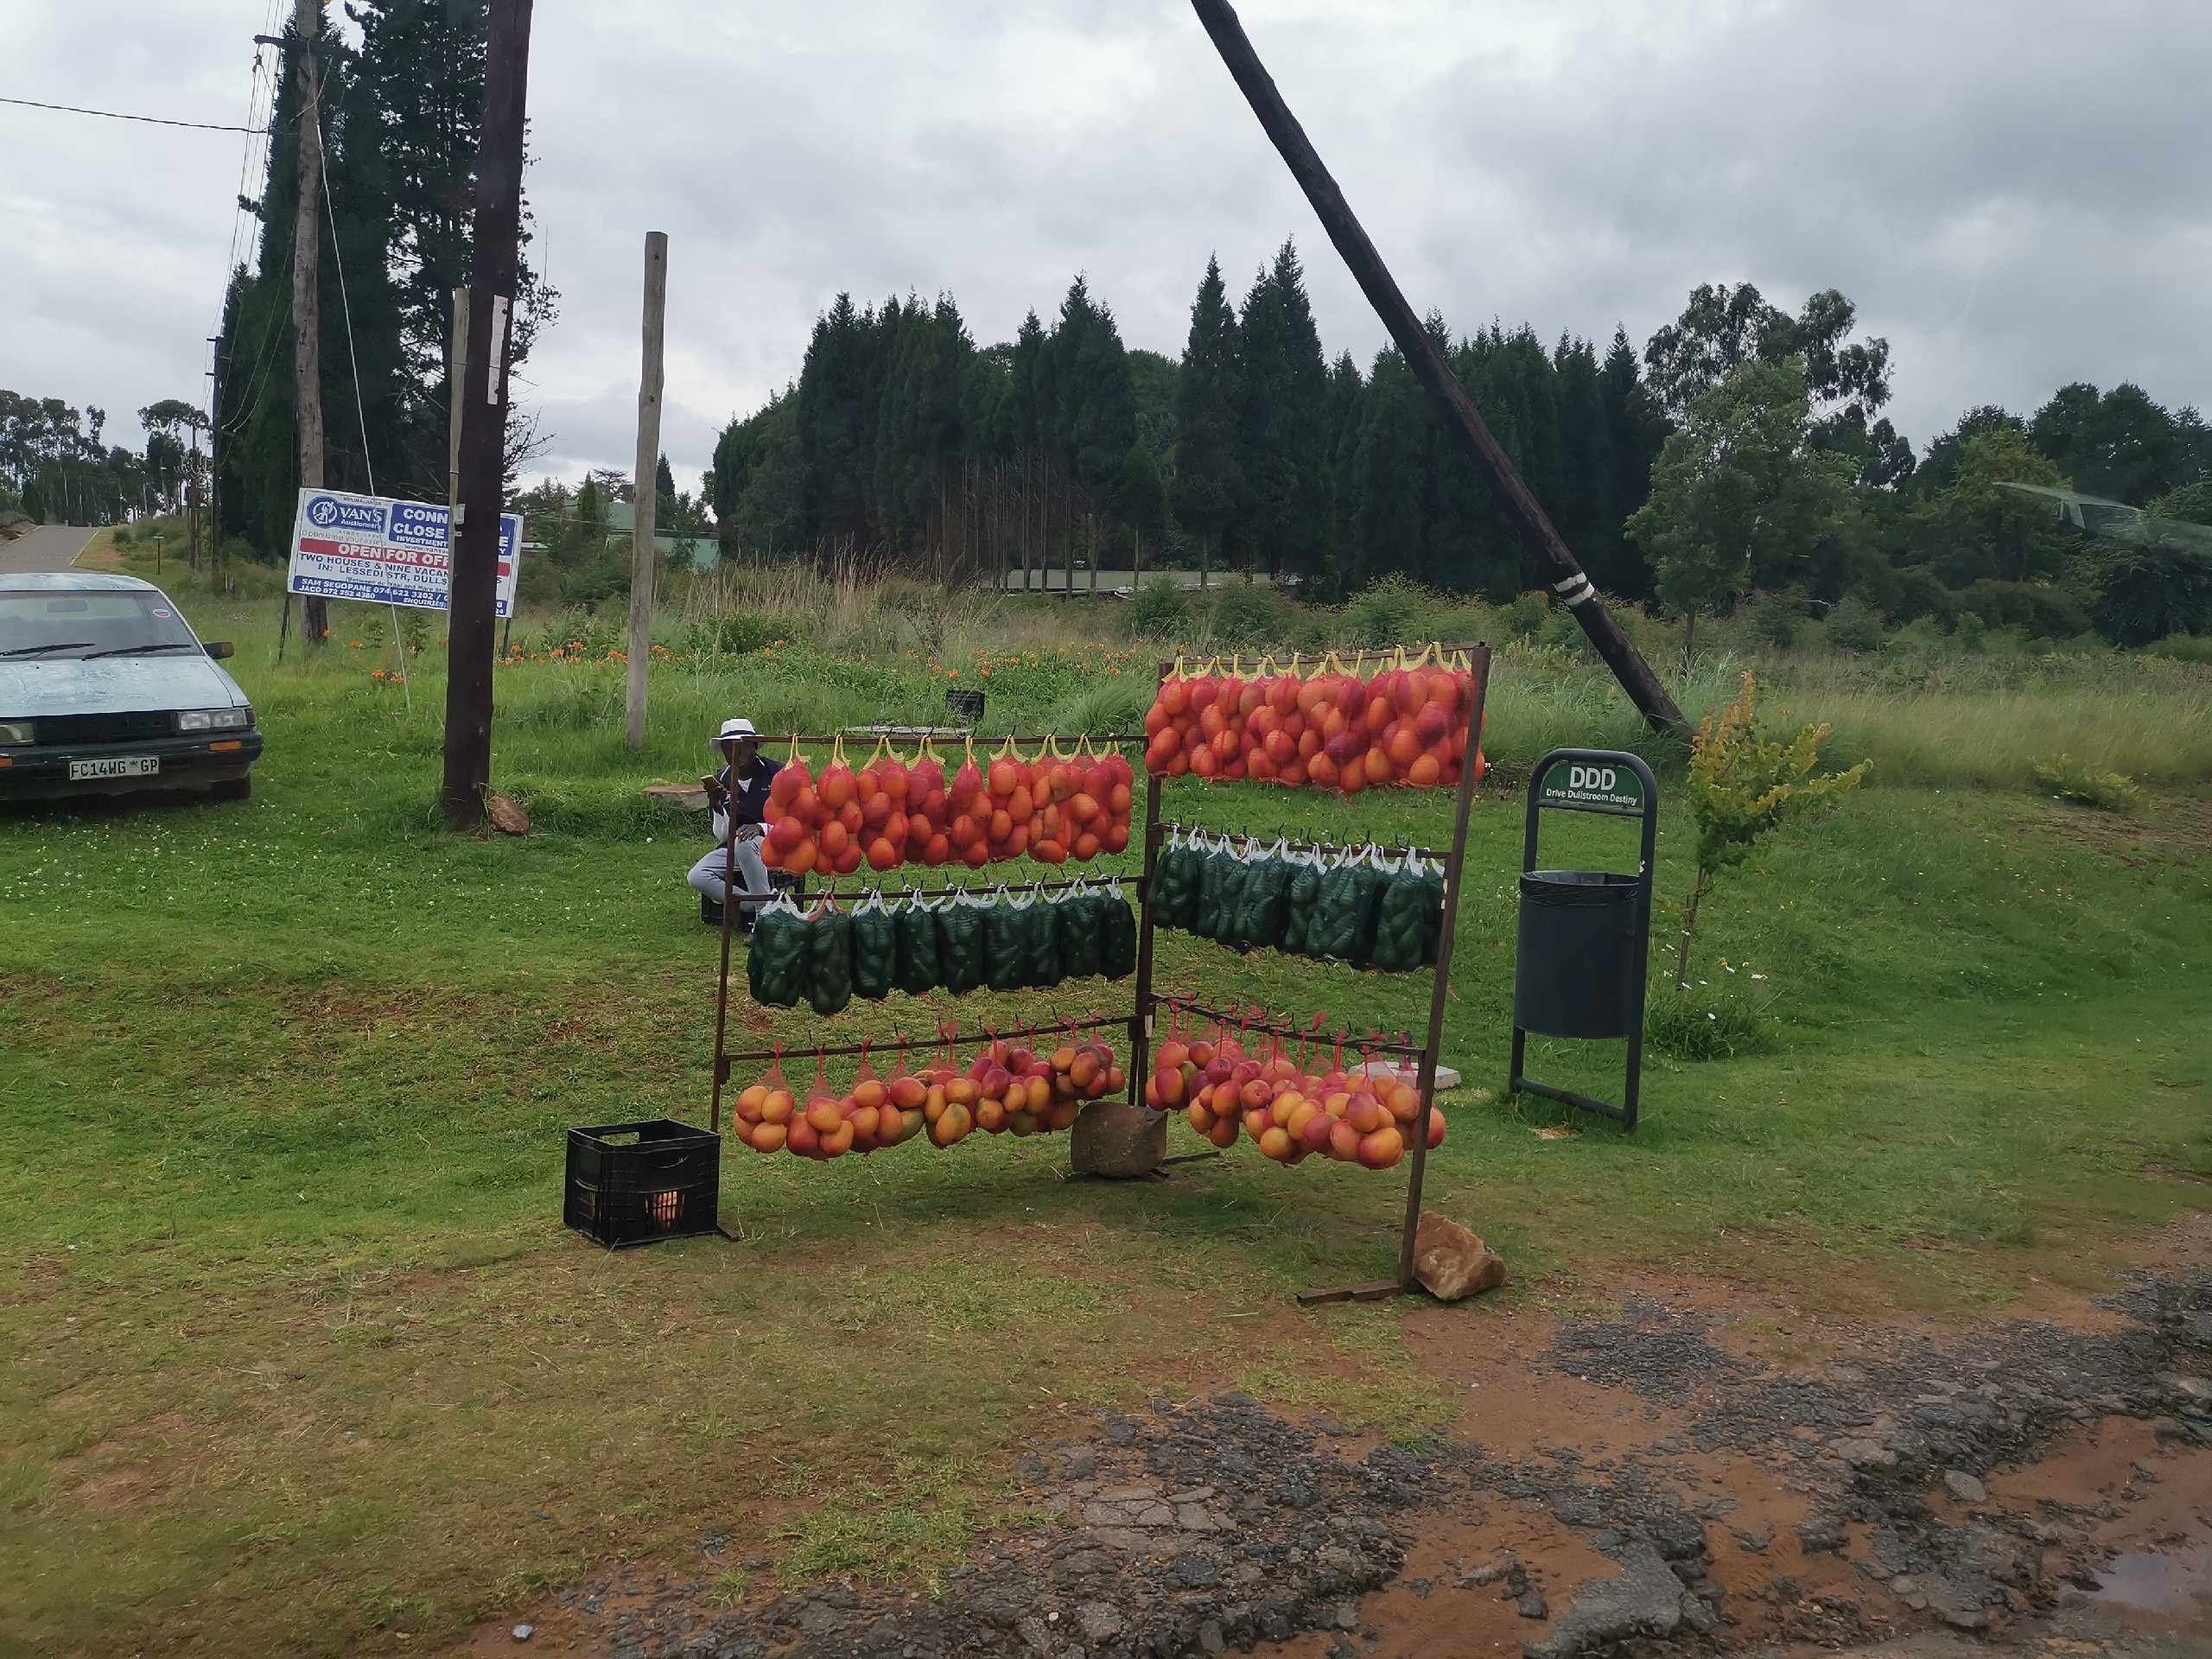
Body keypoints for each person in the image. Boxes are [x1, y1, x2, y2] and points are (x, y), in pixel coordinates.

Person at [686, 717, 783, 927]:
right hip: (738, 846)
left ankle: (763, 919)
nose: (735, 755)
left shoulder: (777, 773)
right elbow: (723, 836)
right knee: (697, 875)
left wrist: (761, 828)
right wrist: (718, 807)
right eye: (729, 749)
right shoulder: (721, 780)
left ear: (754, 746)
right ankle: (755, 902)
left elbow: (795, 821)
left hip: (776, 841)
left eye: (742, 747)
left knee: (745, 843)